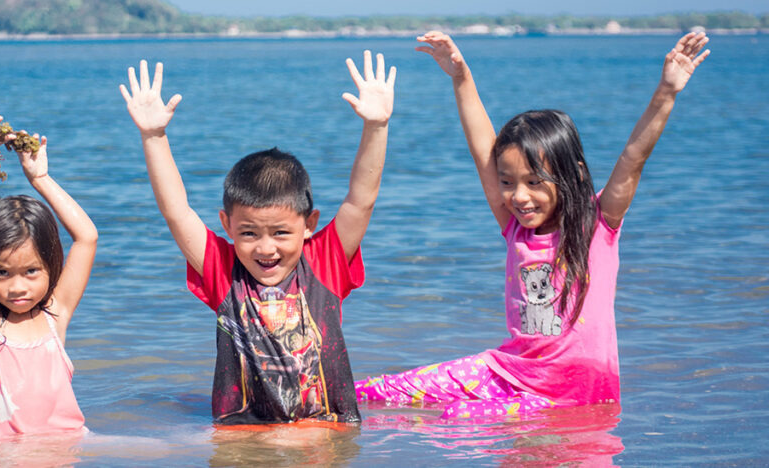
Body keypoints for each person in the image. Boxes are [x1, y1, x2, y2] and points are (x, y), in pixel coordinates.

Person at [355, 31, 710, 420]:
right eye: (508, 183)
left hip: (574, 393)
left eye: (534, 182)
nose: (519, 196)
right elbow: (481, 150)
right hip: (510, 371)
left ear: (571, 175)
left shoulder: (598, 224)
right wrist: (460, 76)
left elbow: (633, 157)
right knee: (378, 392)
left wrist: (667, 92)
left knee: (457, 418)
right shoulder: (515, 228)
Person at [119, 51, 395, 424]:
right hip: (243, 438)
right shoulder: (223, 271)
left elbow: (361, 201)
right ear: (226, 225)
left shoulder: (324, 261)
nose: (266, 248)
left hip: (322, 432)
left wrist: (376, 126)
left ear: (310, 223)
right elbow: (176, 211)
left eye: (281, 233)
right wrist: (153, 136)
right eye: (248, 233)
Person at [0, 111, 98, 439]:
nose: (17, 287)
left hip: (62, 455)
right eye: (2, 273)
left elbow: (87, 237)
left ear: (50, 266)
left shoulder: (55, 316)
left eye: (31, 271)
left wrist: (40, 179)